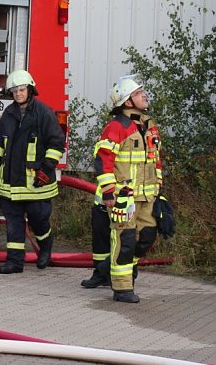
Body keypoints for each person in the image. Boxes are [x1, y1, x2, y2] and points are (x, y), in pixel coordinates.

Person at [0, 70, 66, 274]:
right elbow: (0, 142)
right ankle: (14, 262)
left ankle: (46, 246)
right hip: (11, 182)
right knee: (13, 223)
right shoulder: (9, 114)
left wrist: (46, 169)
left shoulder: (44, 113)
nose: (18, 94)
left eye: (21, 90)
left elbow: (56, 143)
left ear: (30, 90)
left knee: (38, 220)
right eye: (14, 91)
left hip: (35, 182)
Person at [93, 76, 163, 303]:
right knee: (125, 240)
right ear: (128, 102)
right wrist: (109, 192)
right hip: (125, 198)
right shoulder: (116, 127)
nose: (144, 95)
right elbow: (103, 161)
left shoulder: (149, 125)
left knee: (147, 238)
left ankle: (119, 270)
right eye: (138, 92)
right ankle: (122, 288)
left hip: (148, 196)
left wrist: (159, 189)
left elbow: (156, 160)